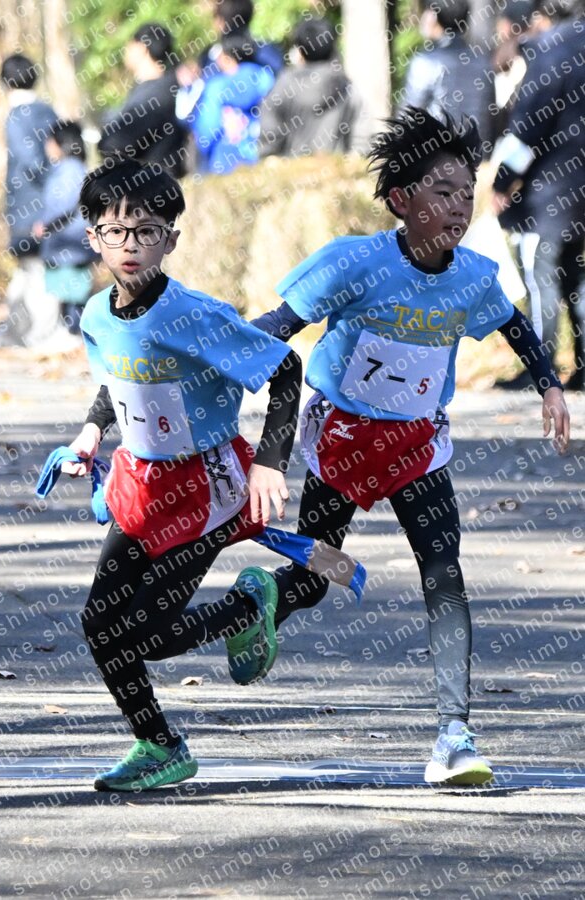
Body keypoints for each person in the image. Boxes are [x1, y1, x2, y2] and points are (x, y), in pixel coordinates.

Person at [223, 107, 570, 785]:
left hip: (417, 445)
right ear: (401, 200)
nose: (459, 207)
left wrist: (550, 386)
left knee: (443, 572)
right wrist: (211, 363)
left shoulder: (472, 276)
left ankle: (454, 734)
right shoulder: (355, 263)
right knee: (318, 577)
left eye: (466, 193)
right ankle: (260, 598)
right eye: (443, 192)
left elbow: (515, 326)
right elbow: (277, 325)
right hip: (345, 438)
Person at [63, 159, 301, 791]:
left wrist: (270, 462)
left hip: (204, 491)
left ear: (170, 238)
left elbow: (285, 368)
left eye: (146, 231)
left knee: (144, 632)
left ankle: (244, 607)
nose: (130, 245)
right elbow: (117, 378)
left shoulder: (195, 315)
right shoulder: (96, 314)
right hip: (141, 486)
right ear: (93, 237)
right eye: (115, 231)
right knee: (100, 624)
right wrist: (91, 433)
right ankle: (159, 745)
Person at [492, 0, 585, 390]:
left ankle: (540, 368)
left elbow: (529, 126)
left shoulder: (552, 51)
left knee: (539, 276)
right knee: (578, 279)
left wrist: (502, 182)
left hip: (549, 193)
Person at [0, 54, 57, 348]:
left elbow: (31, 160)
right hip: (51, 205)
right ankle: (17, 332)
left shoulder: (17, 116)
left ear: (6, 83)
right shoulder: (48, 110)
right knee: (32, 270)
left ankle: (34, 335)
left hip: (28, 207)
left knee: (34, 271)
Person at [259, 17, 369, 159]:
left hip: (292, 169)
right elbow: (362, 136)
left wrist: (269, 156)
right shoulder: (346, 86)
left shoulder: (284, 85)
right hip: (336, 169)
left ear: (300, 49)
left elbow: (270, 135)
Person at [401, 0, 496, 156]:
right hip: (477, 156)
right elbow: (490, 115)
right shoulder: (483, 62)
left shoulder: (426, 62)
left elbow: (408, 116)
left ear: (433, 16)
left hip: (435, 156)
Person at [98, 23, 188, 178]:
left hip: (152, 183)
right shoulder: (156, 88)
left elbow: (117, 143)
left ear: (142, 48)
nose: (126, 50)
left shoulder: (158, 94)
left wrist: (105, 140)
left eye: (130, 45)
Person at [32, 120, 95, 341]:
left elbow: (64, 202)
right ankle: (72, 336)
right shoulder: (75, 168)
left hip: (68, 244)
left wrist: (45, 223)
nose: (47, 146)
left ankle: (72, 337)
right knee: (71, 294)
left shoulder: (69, 169)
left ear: (61, 143)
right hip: (72, 244)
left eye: (50, 140)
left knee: (70, 296)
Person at [188, 33, 274, 175]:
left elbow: (208, 128)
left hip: (225, 162)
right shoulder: (267, 78)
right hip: (263, 157)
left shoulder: (216, 87)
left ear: (228, 58)